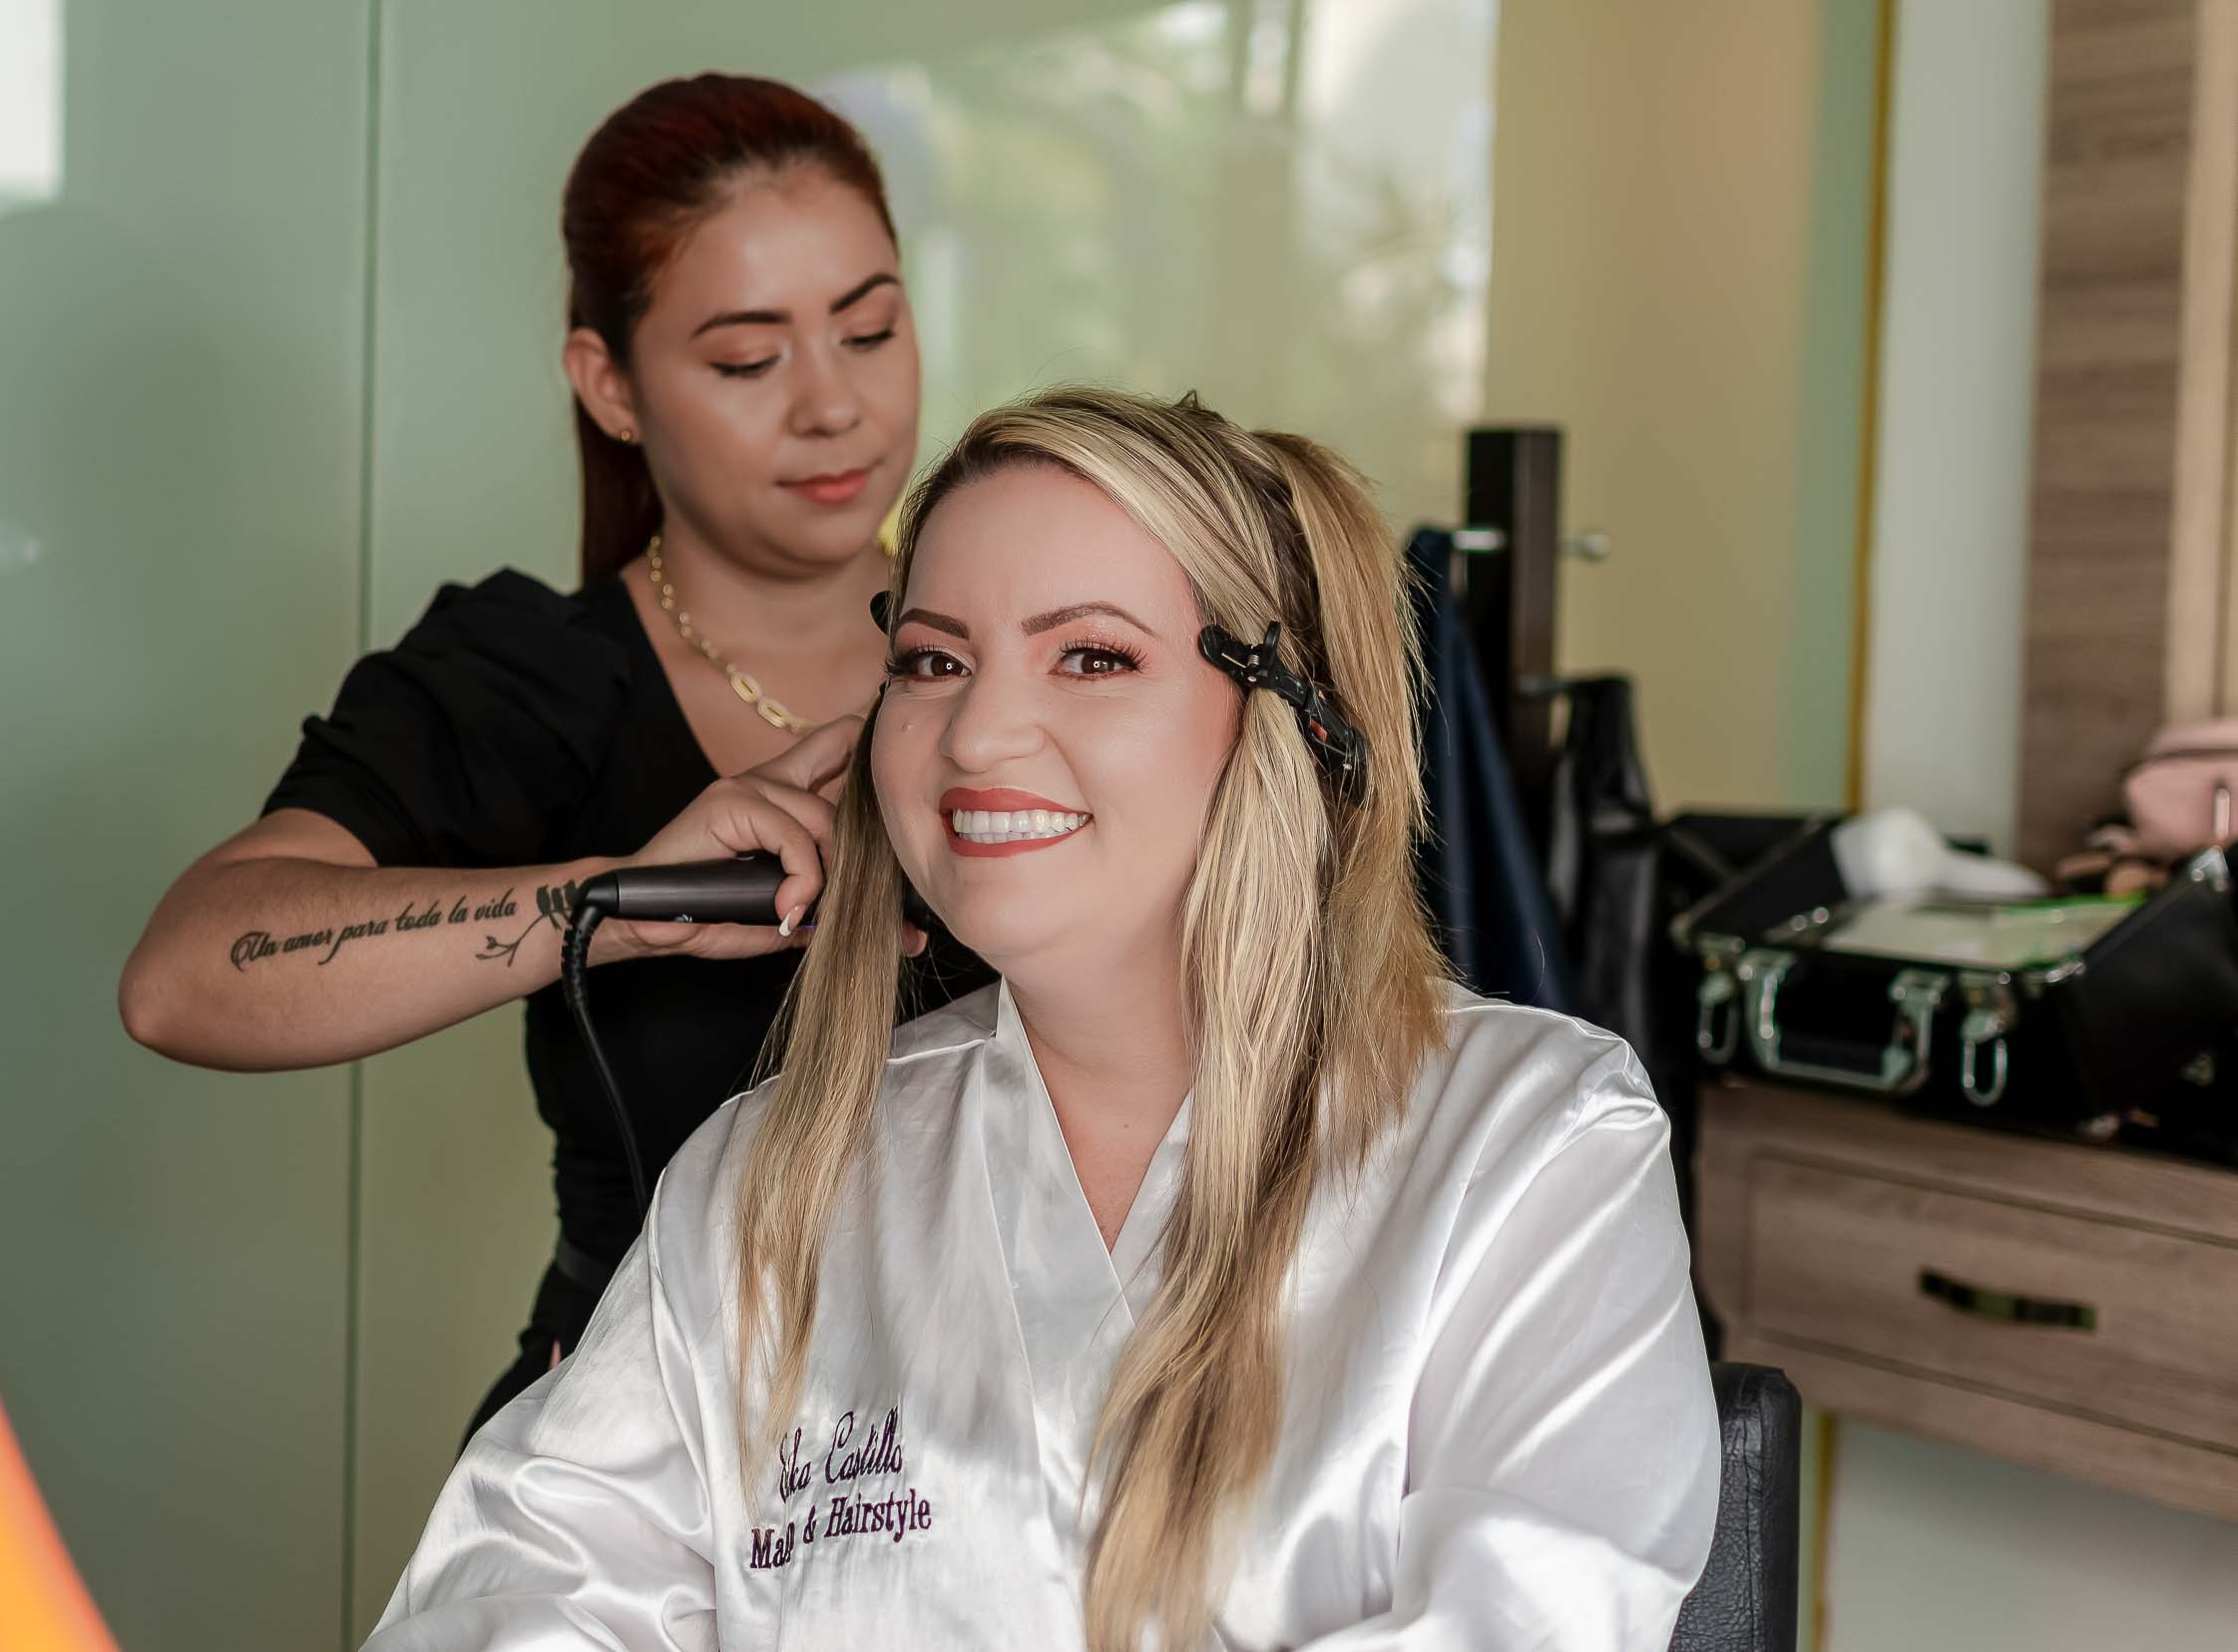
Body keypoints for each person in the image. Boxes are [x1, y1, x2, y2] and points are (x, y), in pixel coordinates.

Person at [363, 387, 1721, 1651]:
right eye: (933, 661)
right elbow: (525, 1588)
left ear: (1290, 723)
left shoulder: (1528, 1147)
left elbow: (1529, 1617)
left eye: (1089, 656)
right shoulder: (774, 1171)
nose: (975, 735)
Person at [118, 74, 988, 1435]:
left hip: (1011, 1457)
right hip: (645, 1477)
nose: (834, 407)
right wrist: (626, 907)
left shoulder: (1037, 652)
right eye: (750, 359)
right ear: (611, 384)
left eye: (869, 330)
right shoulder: (535, 681)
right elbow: (187, 977)